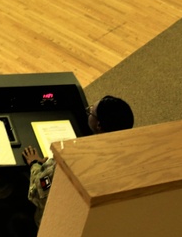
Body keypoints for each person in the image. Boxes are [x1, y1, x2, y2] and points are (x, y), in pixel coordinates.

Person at [22, 96, 134, 226]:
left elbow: (38, 193)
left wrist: (35, 164)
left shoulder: (71, 159)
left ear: (99, 125)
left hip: (62, 222)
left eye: (91, 111)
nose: (89, 110)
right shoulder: (130, 154)